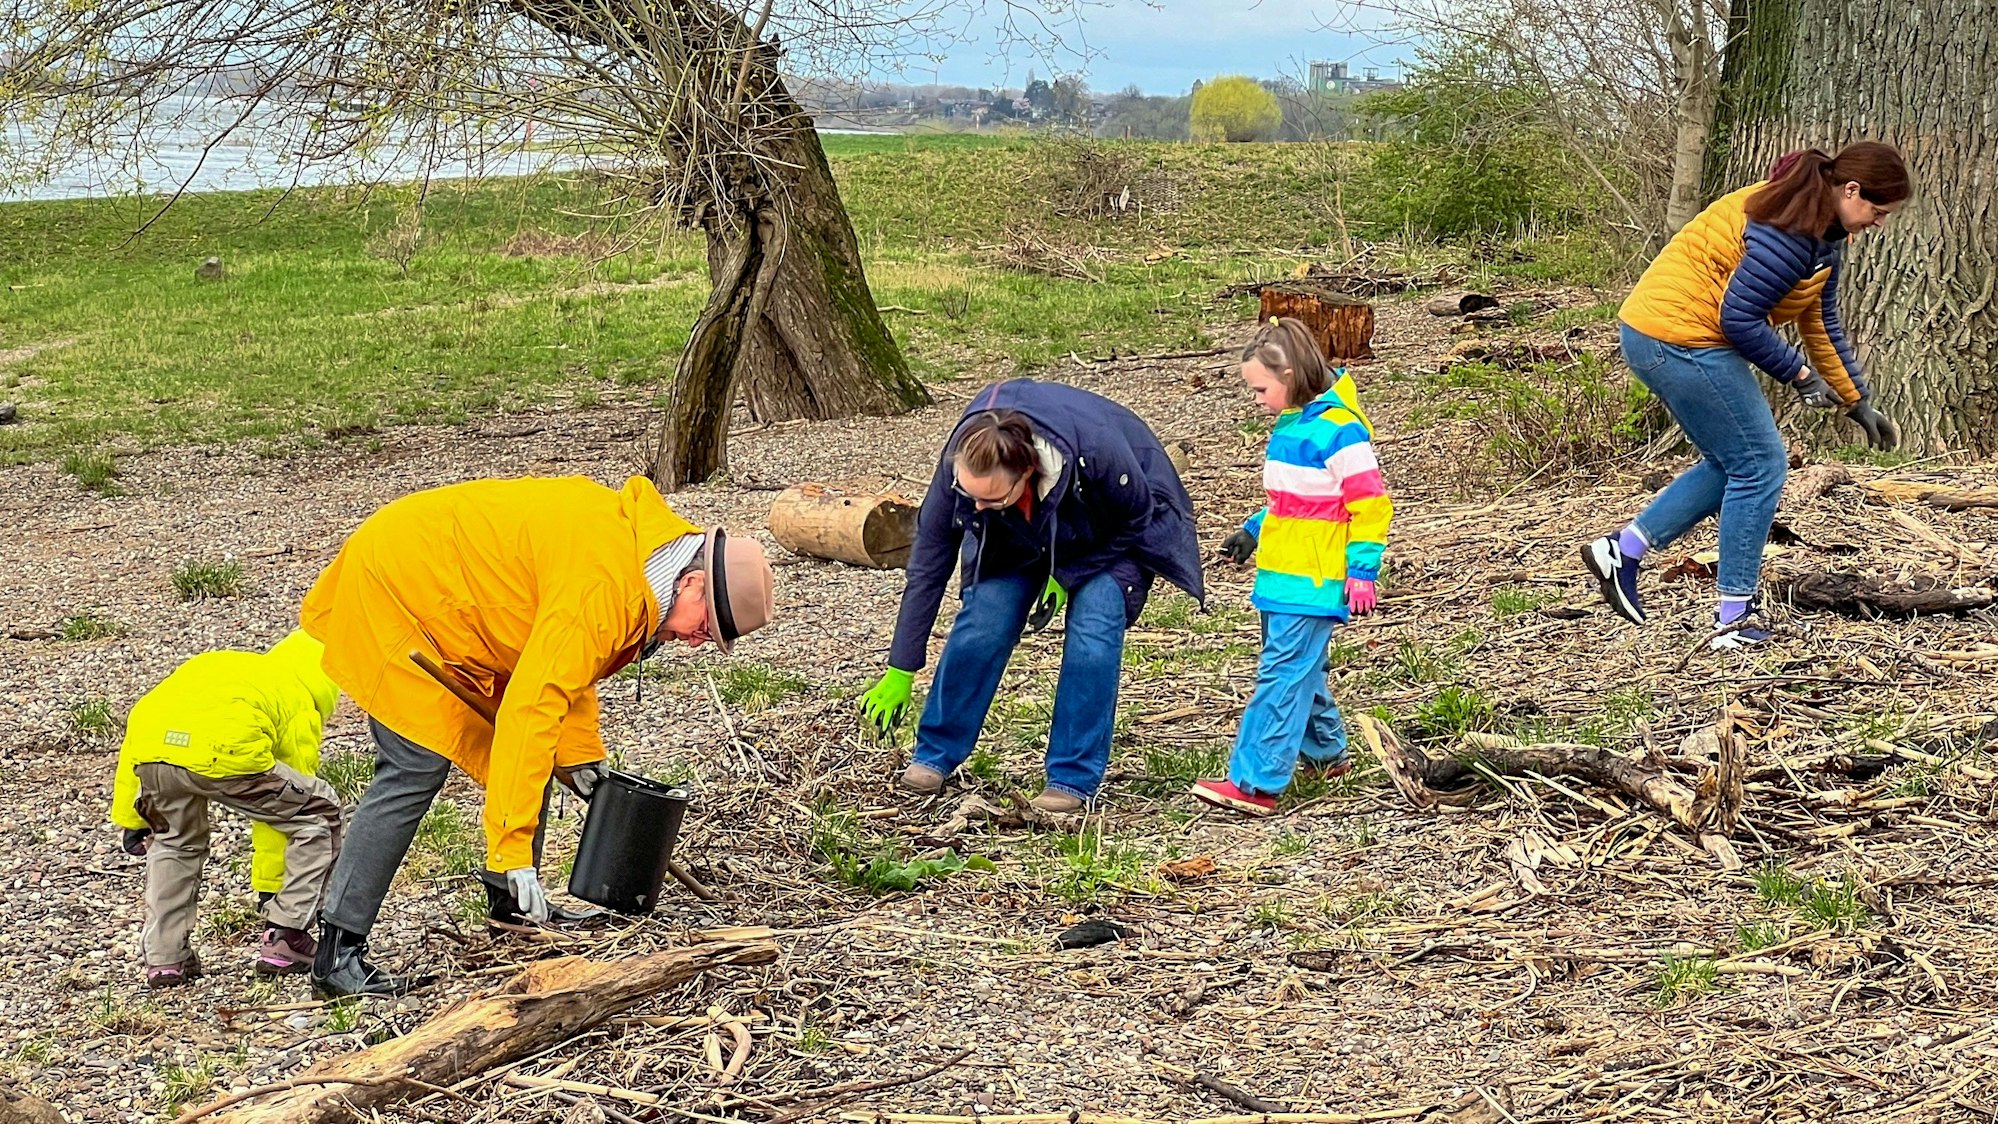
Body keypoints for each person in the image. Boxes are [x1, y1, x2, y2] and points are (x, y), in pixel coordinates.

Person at [298, 474, 777, 997]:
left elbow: (568, 669)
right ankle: (337, 952)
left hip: (465, 602)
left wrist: (581, 755)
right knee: (416, 765)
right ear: (694, 583)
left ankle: (514, 913)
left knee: (534, 755)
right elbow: (534, 704)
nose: (696, 641)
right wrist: (510, 849)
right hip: (400, 589)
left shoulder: (642, 561)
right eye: (706, 627)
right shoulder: (605, 586)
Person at [1587, 142, 1910, 648]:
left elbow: (1819, 321)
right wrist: (1800, 376)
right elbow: (1738, 319)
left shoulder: (1823, 233)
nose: (1879, 222)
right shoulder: (1786, 229)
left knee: (1733, 463)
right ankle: (1734, 616)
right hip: (1676, 338)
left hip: (1670, 334)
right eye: (1877, 209)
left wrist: (1856, 400)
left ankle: (1622, 550)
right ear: (1850, 190)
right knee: (1761, 465)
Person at [859, 380, 1204, 812]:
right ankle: (935, 753)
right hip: (1019, 532)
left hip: (1108, 531)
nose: (976, 507)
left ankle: (1071, 778)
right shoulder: (965, 470)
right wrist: (901, 668)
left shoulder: (1097, 453)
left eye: (990, 497)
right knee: (985, 620)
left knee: (1093, 629)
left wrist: (1067, 572)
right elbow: (929, 565)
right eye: (970, 495)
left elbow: (1137, 518)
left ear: (1026, 473)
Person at [1190, 319, 1391, 816]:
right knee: (1302, 667)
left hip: (1313, 579)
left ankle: (1256, 781)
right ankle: (1327, 753)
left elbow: (1370, 504)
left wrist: (1362, 570)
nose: (1256, 398)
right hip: (1282, 573)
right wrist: (1254, 529)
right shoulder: (1296, 423)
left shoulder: (1339, 430)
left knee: (1282, 674)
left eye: (1260, 388)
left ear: (1291, 372)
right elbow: (1297, 500)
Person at [109, 630, 345, 987]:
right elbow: (283, 817)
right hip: (226, 749)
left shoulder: (237, 669)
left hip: (154, 750)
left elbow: (138, 735)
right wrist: (272, 887)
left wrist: (134, 819)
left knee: (174, 843)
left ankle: (165, 957)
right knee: (320, 814)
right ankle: (286, 937)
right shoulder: (299, 699)